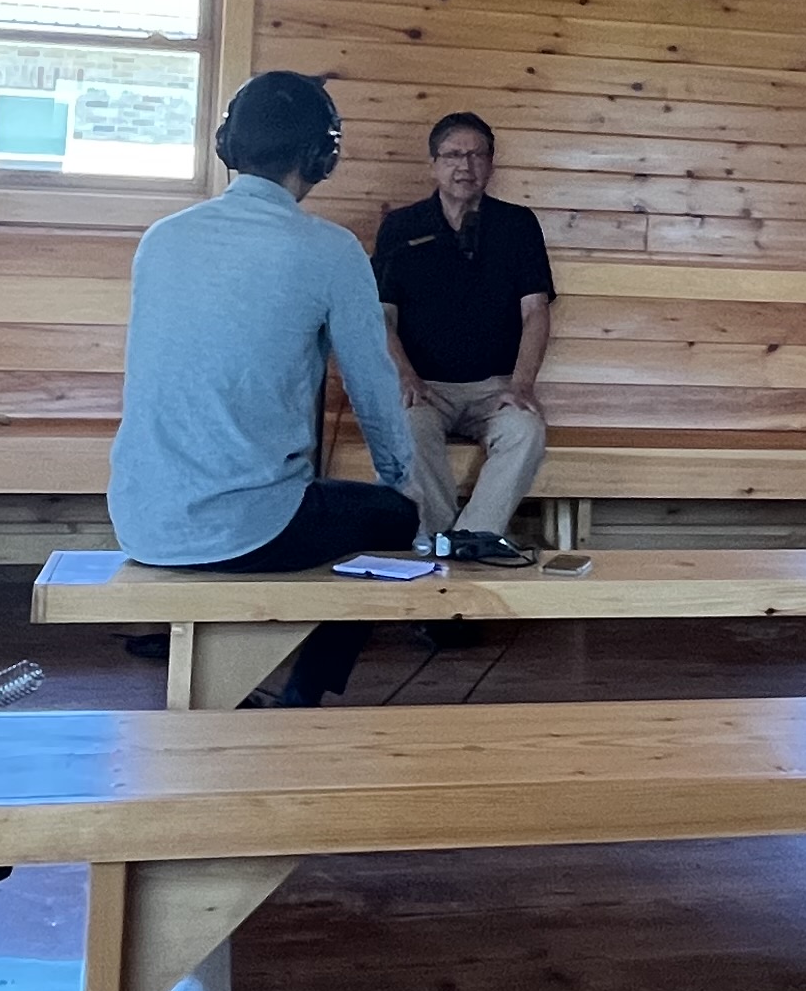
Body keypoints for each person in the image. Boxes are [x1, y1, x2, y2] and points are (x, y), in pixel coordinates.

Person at [107, 70, 421, 703]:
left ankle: (240, 676)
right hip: (249, 529)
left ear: (229, 144)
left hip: (139, 516)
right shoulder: (331, 250)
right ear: (321, 155)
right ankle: (308, 693)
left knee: (312, 499)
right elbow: (373, 386)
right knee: (391, 518)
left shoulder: (160, 240)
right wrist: (400, 478)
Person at [372, 110, 555, 566]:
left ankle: (472, 539)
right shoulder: (401, 226)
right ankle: (437, 541)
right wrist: (407, 379)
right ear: (434, 164)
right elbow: (382, 317)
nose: (465, 166)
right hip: (426, 388)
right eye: (453, 155)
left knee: (526, 430)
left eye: (477, 155)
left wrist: (522, 385)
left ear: (491, 165)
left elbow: (536, 311)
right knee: (408, 430)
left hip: (495, 388)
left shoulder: (518, 225)